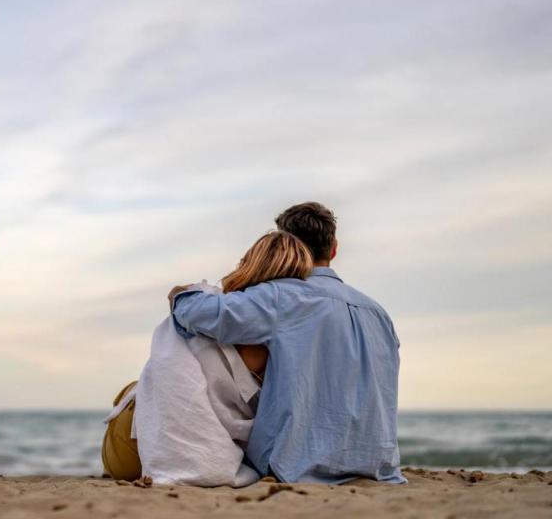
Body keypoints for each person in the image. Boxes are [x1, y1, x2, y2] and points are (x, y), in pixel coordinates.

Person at [171, 202, 405, 484]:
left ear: (288, 246)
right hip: (378, 469)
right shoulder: (378, 313)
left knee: (179, 333)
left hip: (296, 467)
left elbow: (201, 314)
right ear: (333, 249)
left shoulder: (282, 298)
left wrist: (181, 295)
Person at [102, 231, 313, 486]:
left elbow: (178, 298)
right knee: (137, 390)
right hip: (147, 436)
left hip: (140, 441)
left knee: (137, 389)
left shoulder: (212, 307)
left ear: (251, 264)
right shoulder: (300, 330)